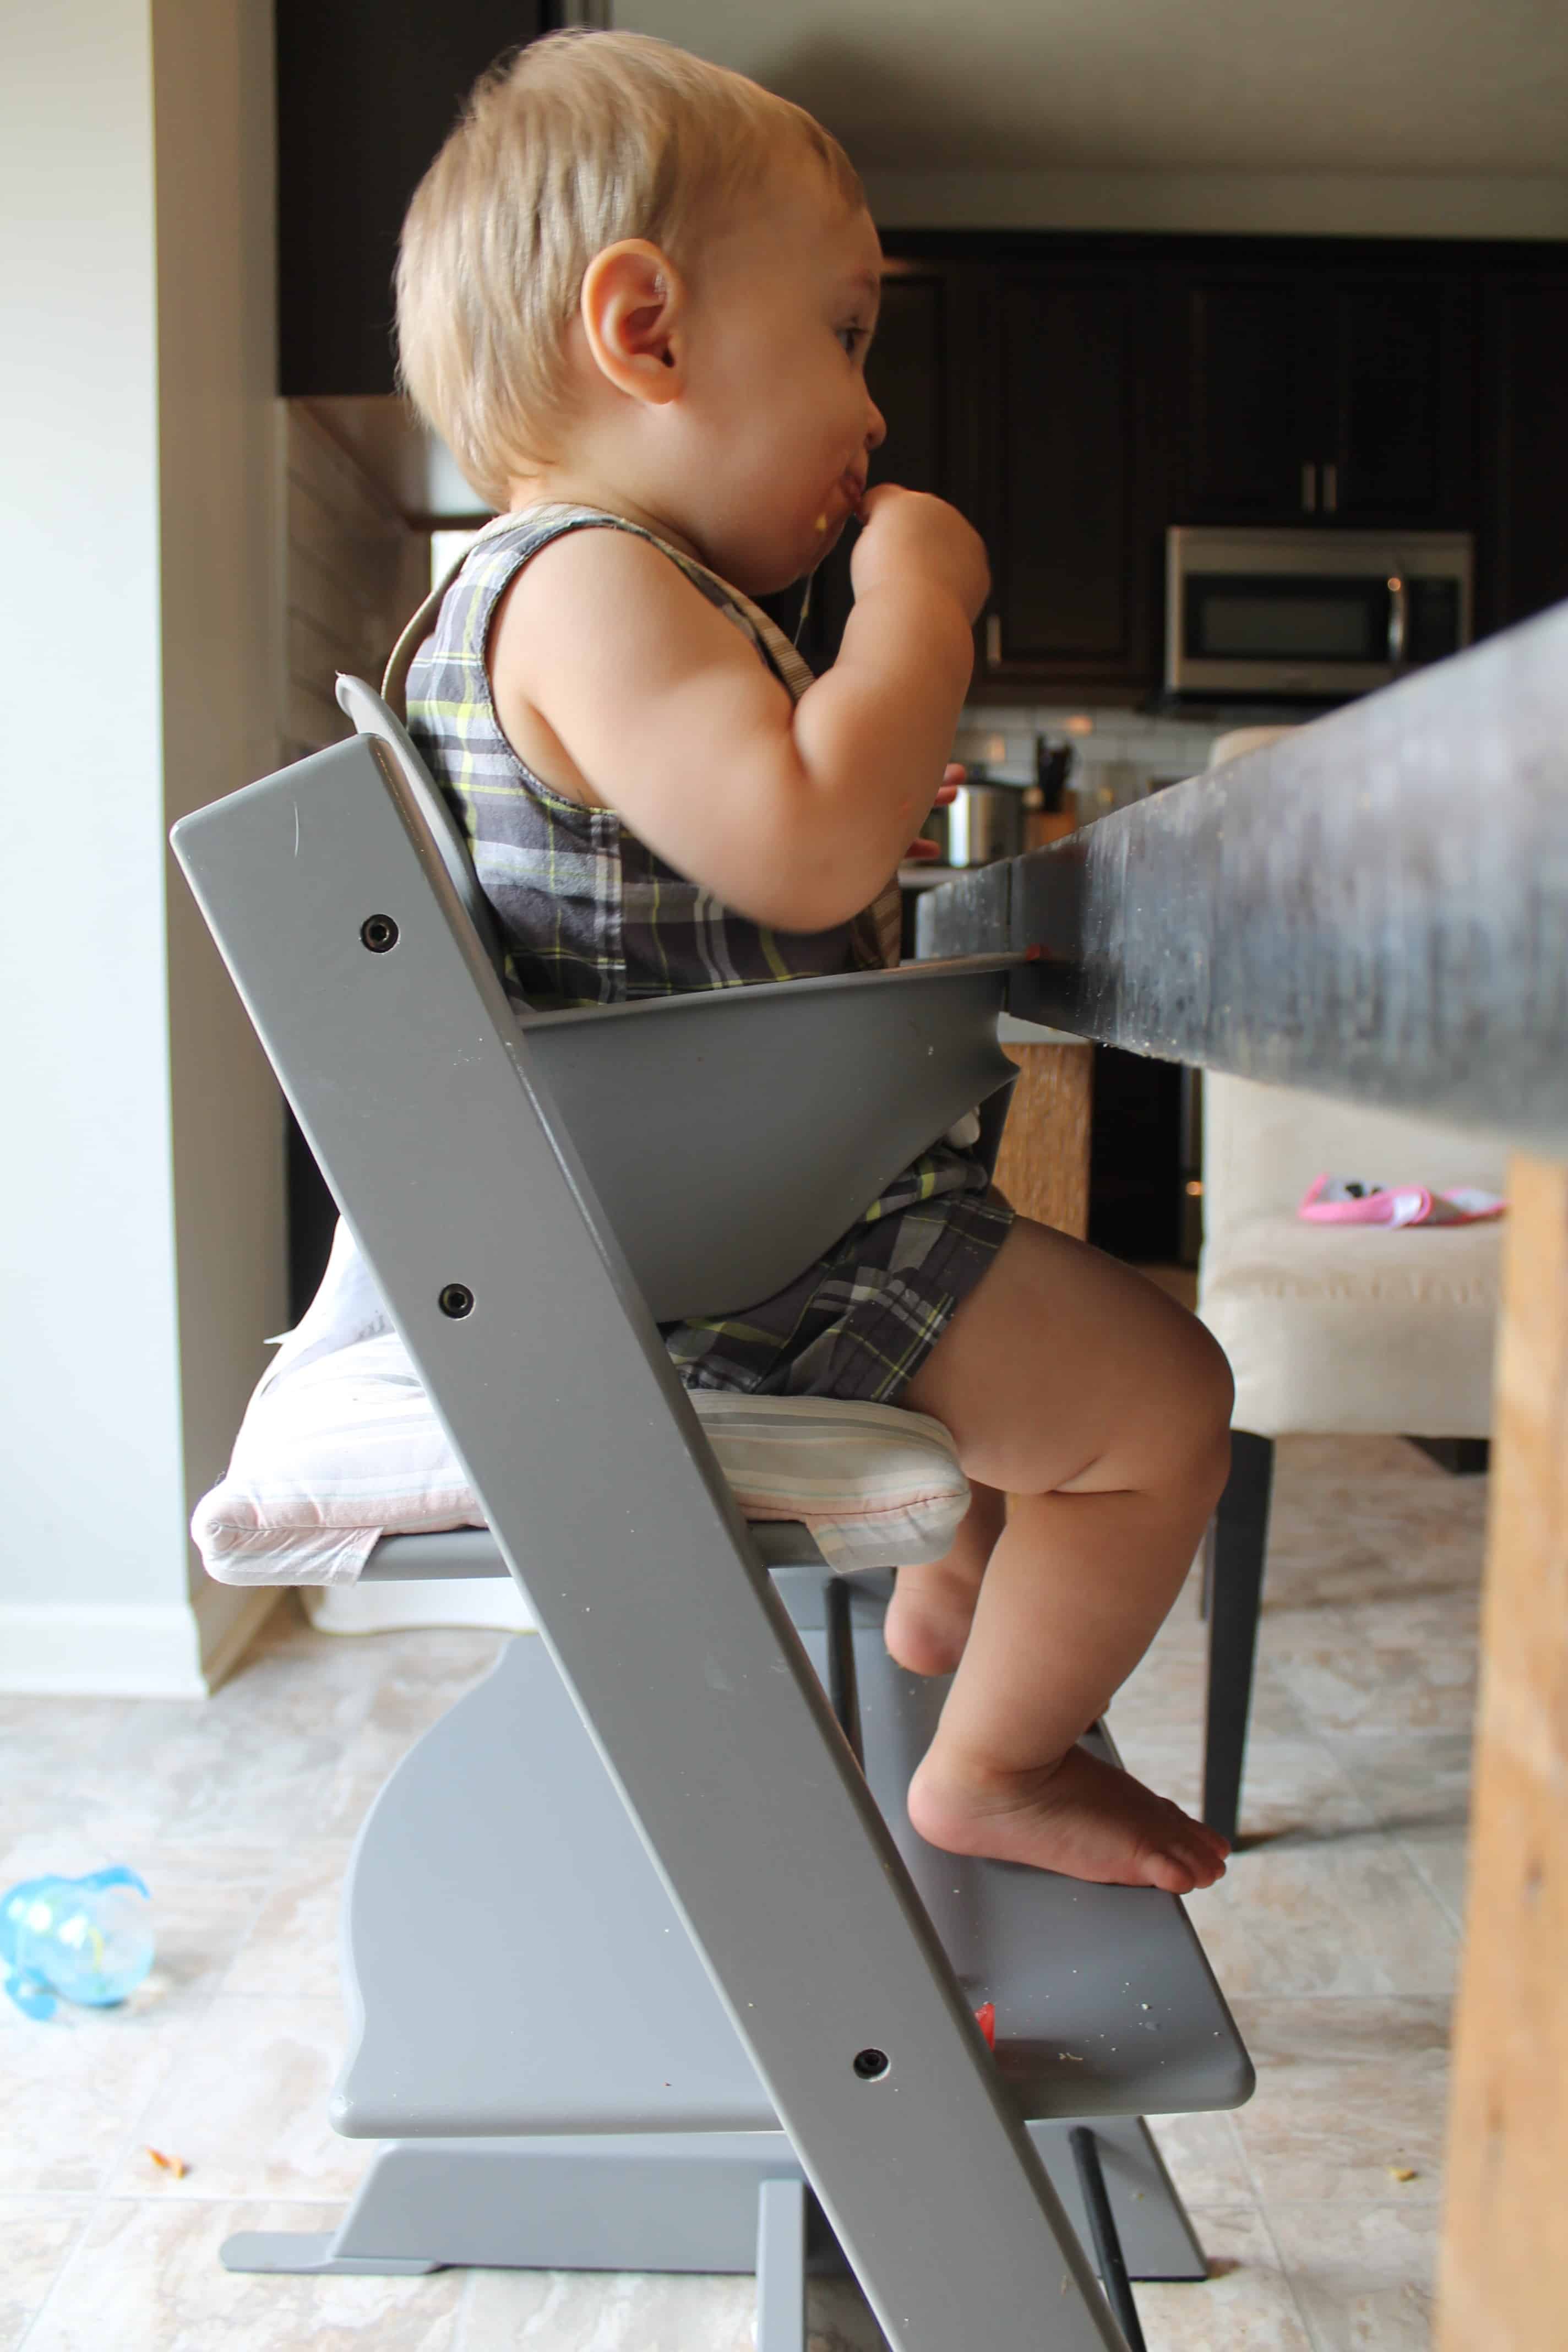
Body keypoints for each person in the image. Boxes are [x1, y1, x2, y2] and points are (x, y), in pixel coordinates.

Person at [394, 29, 1233, 1894]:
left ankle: (947, 1617)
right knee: (1164, 1406)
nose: (874, 407)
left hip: (709, 1208)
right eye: (847, 333)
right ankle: (994, 1769)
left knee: (1061, 1332)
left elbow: (749, 855)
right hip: (734, 1250)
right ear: (650, 331)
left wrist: (830, 727)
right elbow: (807, 843)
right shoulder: (592, 578)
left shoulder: (547, 595)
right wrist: (921, 603)